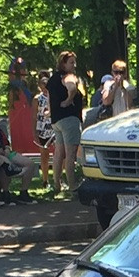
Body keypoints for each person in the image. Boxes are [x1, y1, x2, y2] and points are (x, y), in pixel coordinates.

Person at [46, 51, 86, 192]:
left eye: (74, 62)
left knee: (58, 153)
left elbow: (50, 100)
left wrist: (51, 112)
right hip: (69, 119)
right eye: (71, 62)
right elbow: (72, 88)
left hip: (56, 120)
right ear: (63, 64)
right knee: (70, 154)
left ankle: (57, 184)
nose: (74, 65)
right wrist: (69, 100)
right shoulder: (68, 77)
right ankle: (72, 185)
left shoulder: (53, 79)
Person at [6, 56, 39, 156]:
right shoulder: (15, 87)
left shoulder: (24, 85)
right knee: (21, 131)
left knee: (26, 130)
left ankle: (29, 151)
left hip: (25, 111)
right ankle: (23, 151)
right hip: (19, 111)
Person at [33, 74, 56, 191]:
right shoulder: (37, 99)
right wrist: (34, 132)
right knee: (44, 156)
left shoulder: (55, 97)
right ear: (39, 86)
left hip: (55, 127)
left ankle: (58, 179)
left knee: (59, 154)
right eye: (43, 84)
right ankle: (45, 180)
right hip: (42, 129)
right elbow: (34, 116)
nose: (46, 86)